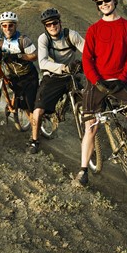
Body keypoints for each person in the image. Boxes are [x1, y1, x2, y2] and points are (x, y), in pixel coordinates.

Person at [75, 0, 127, 186]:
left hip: (120, 80)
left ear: (114, 0)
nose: (104, 4)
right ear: (97, 6)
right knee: (90, 126)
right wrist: (97, 82)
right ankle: (83, 170)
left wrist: (123, 78)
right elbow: (87, 59)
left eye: (107, 0)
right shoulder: (93, 30)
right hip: (96, 82)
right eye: (100, 2)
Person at [29, 8, 85, 154]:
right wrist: (63, 67)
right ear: (45, 27)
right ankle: (34, 141)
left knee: (87, 102)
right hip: (53, 76)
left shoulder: (71, 35)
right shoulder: (44, 39)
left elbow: (88, 51)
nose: (52, 27)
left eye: (54, 23)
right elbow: (42, 63)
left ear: (60, 22)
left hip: (71, 75)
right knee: (39, 110)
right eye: (48, 25)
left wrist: (85, 64)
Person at [0, 11, 38, 124]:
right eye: (4, 25)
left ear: (15, 25)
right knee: (3, 79)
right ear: (1, 26)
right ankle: (10, 103)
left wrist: (20, 56)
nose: (7, 28)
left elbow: (35, 55)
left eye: (11, 25)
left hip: (27, 76)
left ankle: (36, 133)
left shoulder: (23, 40)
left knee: (29, 108)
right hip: (11, 74)